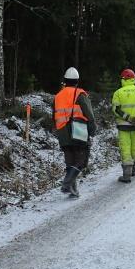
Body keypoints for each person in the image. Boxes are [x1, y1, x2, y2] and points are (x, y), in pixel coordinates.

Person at [52, 67, 97, 198]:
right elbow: (90, 115)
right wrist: (92, 130)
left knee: (70, 161)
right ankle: (67, 183)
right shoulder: (80, 94)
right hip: (78, 131)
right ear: (77, 81)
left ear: (65, 80)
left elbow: (53, 115)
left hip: (62, 132)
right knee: (82, 160)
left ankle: (73, 189)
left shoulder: (58, 96)